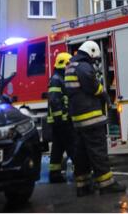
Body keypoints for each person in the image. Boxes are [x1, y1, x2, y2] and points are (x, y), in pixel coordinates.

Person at [65, 41, 124, 195]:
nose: (94, 61)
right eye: (94, 58)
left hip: (79, 120)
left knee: (82, 154)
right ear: (90, 52)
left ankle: (82, 186)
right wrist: (103, 92)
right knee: (98, 151)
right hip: (91, 118)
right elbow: (92, 86)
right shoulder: (83, 67)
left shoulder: (71, 66)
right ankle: (107, 185)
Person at [47, 52, 75, 183]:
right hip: (61, 121)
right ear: (63, 64)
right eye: (69, 64)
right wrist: (60, 119)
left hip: (60, 120)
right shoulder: (57, 79)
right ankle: (80, 172)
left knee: (58, 147)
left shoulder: (59, 78)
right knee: (72, 145)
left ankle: (54, 174)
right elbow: (54, 100)